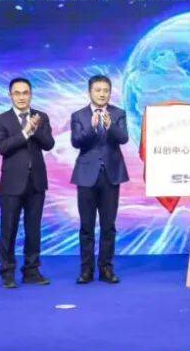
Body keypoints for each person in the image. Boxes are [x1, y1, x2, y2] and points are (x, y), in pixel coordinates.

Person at [0, 77, 55, 288]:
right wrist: (25, 132)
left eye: (25, 92)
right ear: (10, 95)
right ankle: (7, 272)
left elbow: (49, 144)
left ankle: (31, 271)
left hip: (36, 182)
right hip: (12, 183)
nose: (21, 97)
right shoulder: (0, 120)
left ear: (31, 94)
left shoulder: (41, 117)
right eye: (17, 93)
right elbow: (2, 148)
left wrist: (35, 130)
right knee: (8, 229)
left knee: (33, 229)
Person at [70, 74, 129, 284]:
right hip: (86, 176)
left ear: (110, 92)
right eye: (98, 90)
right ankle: (86, 270)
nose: (102, 94)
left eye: (106, 90)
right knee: (86, 226)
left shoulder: (118, 113)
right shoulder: (79, 115)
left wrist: (110, 125)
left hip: (111, 176)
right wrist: (92, 127)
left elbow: (123, 138)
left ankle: (106, 268)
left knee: (108, 226)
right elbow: (76, 142)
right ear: (90, 92)